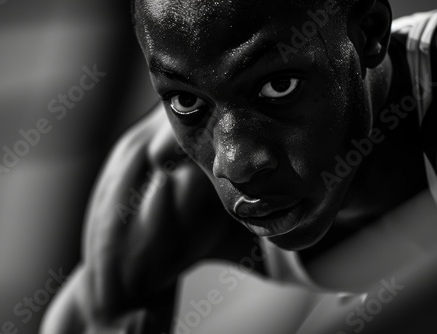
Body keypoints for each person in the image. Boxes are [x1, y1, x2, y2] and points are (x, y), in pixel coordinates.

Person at [41, 0, 437, 333]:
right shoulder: (162, 186)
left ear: (367, 33)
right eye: (186, 101)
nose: (235, 164)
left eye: (278, 86)